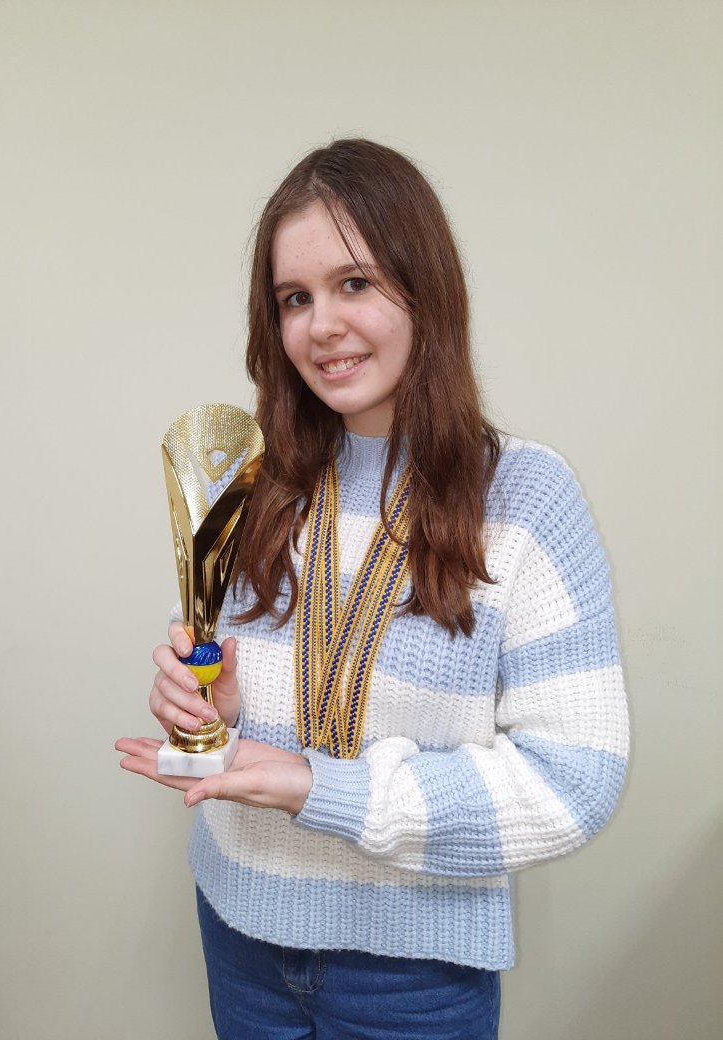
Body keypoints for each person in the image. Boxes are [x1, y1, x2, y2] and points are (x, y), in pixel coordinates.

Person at [116, 138, 629, 1040]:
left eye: (353, 283)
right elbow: (220, 674)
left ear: (426, 289)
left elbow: (574, 781)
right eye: (294, 298)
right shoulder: (248, 481)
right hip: (240, 934)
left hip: (414, 974)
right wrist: (210, 707)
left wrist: (325, 789)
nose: (321, 326)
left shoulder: (525, 497)